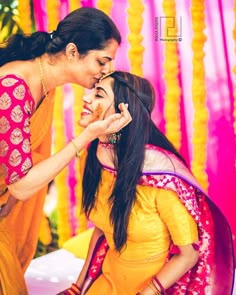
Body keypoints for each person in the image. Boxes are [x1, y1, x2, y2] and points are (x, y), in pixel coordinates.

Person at [59, 71, 235, 295]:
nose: (86, 98)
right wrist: (78, 287)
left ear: (123, 110)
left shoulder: (160, 177)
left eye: (99, 94)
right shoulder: (98, 161)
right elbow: (102, 230)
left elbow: (188, 254)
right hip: (108, 285)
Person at [0, 7, 132, 295]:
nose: (105, 71)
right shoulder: (13, 88)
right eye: (102, 60)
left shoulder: (45, 86)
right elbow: (21, 184)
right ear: (72, 51)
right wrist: (85, 137)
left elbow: (27, 161)